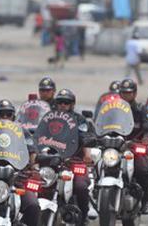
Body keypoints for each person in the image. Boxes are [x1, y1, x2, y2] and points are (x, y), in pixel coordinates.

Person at [54, 89, 95, 224]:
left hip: (74, 161)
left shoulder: (80, 119)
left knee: (81, 186)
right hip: (52, 161)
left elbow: (86, 137)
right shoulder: (49, 118)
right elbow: (38, 137)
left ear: (72, 104)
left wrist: (87, 155)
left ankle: (83, 216)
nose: (63, 105)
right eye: (60, 102)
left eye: (66, 102)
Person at [119, 79, 148, 214]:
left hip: (135, 148)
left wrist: (147, 138)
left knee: (143, 170)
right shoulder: (114, 108)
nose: (126, 95)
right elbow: (101, 125)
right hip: (116, 147)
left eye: (129, 93)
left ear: (135, 93)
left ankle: (145, 200)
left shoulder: (140, 109)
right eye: (124, 93)